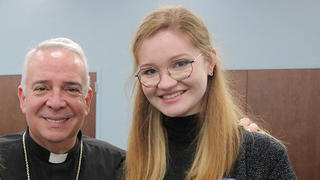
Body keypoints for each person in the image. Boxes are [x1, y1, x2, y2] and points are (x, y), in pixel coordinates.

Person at [124, 7, 297, 179]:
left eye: (180, 64)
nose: (166, 83)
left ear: (210, 62)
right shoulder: (130, 165)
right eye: (150, 71)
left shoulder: (261, 156)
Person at [0, 38, 125, 180]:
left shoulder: (119, 166)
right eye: (41, 88)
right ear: (23, 99)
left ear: (87, 100)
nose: (56, 103)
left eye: (71, 89)